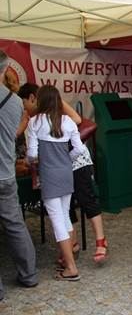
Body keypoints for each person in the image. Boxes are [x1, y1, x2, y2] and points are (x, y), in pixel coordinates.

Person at [17, 83, 108, 264]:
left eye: (24, 102)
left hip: (73, 164)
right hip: (63, 165)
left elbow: (78, 120)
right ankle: (71, 245)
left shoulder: (54, 108)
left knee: (83, 201)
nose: (24, 107)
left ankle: (99, 241)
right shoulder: (34, 118)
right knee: (66, 211)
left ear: (33, 98)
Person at [26, 85, 86, 281]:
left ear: (40, 100)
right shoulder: (68, 121)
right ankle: (70, 258)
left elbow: (32, 154)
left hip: (50, 175)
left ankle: (70, 267)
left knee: (57, 220)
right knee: (65, 216)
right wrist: (66, 158)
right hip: (66, 173)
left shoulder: (34, 122)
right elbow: (79, 149)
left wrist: (33, 160)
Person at [0, 53, 38, 301]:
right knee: (15, 225)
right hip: (5, 173)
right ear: (5, 69)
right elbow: (13, 134)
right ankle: (29, 274)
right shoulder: (15, 102)